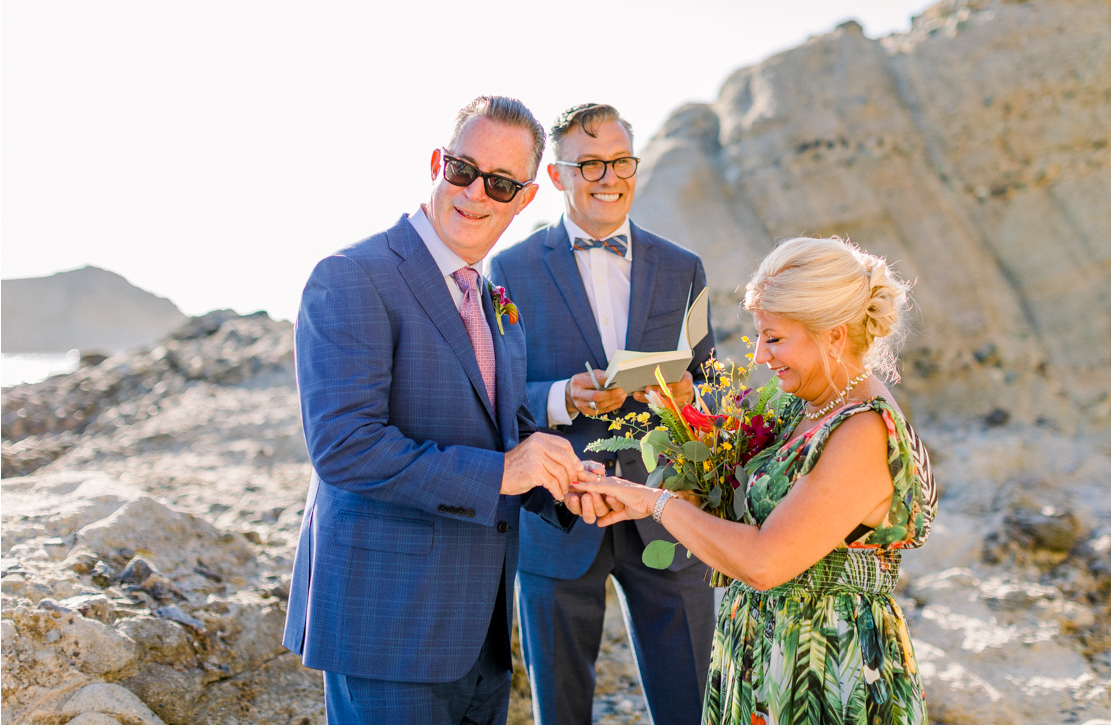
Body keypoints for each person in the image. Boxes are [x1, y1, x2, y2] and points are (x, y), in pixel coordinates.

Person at [282, 95, 601, 725]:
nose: (477, 192)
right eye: (463, 170)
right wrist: (505, 472)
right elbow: (345, 445)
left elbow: (504, 432)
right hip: (387, 623)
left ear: (525, 198)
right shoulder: (353, 275)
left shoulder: (494, 299)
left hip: (479, 630)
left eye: (501, 182)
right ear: (438, 162)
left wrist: (569, 484)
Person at [573, 236, 937, 725]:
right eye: (760, 336)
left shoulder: (863, 432)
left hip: (824, 669)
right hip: (761, 655)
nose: (762, 356)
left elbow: (765, 562)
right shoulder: (799, 405)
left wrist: (654, 502)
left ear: (834, 333)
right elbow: (736, 507)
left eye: (775, 337)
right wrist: (667, 447)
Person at [489, 102, 717, 724]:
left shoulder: (683, 268)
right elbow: (492, 392)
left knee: (693, 703)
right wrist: (561, 396)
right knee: (559, 711)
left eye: (619, 161)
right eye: (587, 164)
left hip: (667, 514)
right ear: (558, 176)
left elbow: (712, 383)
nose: (606, 176)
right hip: (559, 514)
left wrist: (685, 398)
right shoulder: (508, 269)